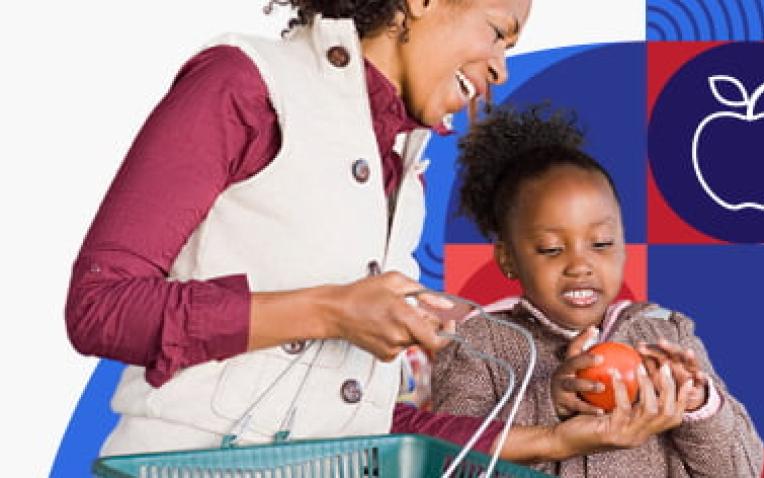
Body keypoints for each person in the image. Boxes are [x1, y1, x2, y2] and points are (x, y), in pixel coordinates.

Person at [65, 0, 638, 465]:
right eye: (496, 32)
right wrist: (332, 311)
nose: (501, 67)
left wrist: (554, 441)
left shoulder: (402, 175)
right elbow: (100, 305)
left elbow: (360, 424)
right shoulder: (245, 84)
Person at [430, 105, 764, 476]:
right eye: (552, 249)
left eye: (601, 243)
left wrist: (697, 405)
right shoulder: (477, 345)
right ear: (508, 258)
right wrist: (550, 402)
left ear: (624, 245)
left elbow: (742, 470)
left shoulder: (666, 333)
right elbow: (451, 464)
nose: (580, 265)